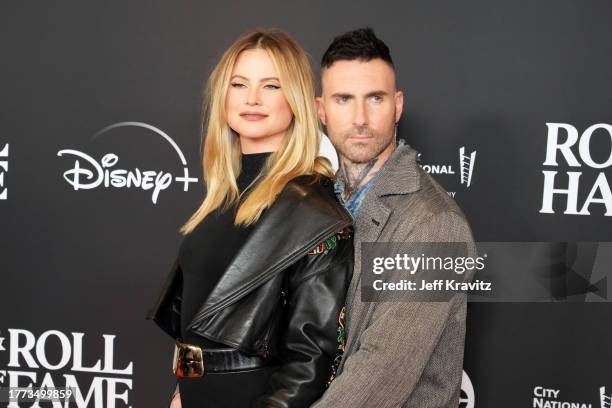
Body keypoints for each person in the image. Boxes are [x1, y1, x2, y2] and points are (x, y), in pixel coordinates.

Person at [146, 29, 353, 408]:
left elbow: (311, 365)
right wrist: (181, 393)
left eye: (271, 86)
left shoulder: (314, 213)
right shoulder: (223, 194)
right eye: (239, 84)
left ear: (296, 100)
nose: (252, 99)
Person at [312, 28, 475, 407]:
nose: (360, 118)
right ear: (321, 110)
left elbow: (382, 376)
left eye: (376, 98)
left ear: (397, 105)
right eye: (343, 99)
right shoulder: (314, 200)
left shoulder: (436, 224)